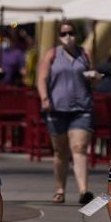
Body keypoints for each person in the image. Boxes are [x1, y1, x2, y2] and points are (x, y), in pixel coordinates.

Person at [36, 20, 100, 205]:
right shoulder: (52, 54)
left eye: (71, 33)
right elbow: (41, 79)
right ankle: (60, 189)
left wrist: (95, 78)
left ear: (76, 34)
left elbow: (93, 80)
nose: (68, 37)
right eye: (63, 33)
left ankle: (83, 190)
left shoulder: (84, 54)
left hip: (82, 107)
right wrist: (44, 98)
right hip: (56, 108)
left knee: (79, 148)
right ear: (58, 36)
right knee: (60, 152)